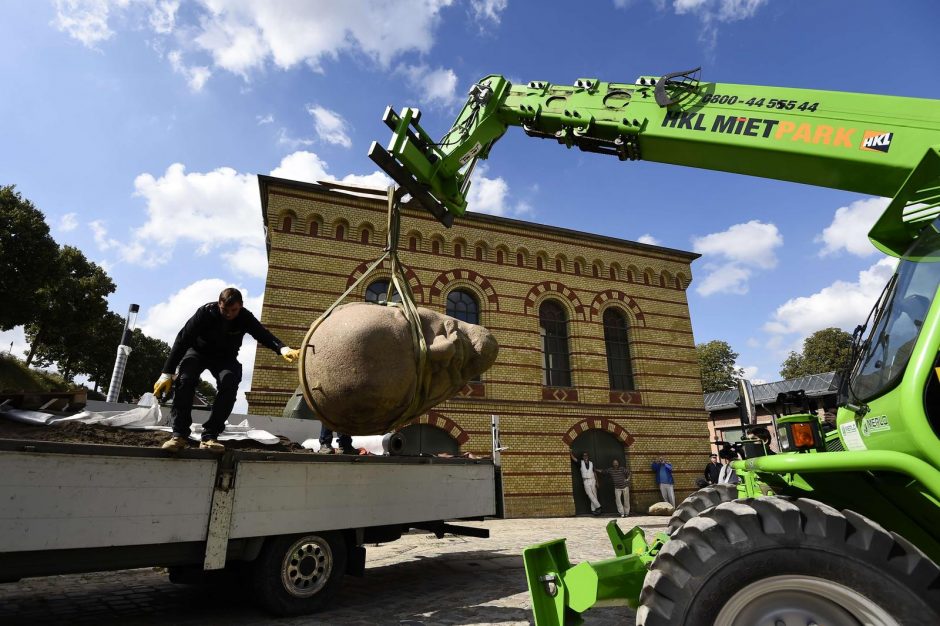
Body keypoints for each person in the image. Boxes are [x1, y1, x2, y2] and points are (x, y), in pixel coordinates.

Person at [154, 288, 300, 452]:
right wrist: (167, 372)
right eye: (225, 310)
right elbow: (182, 340)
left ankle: (210, 436)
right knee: (186, 379)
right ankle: (179, 435)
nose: (229, 314)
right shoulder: (205, 313)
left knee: (230, 380)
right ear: (219, 304)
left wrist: (282, 349)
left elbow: (262, 334)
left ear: (241, 306)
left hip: (225, 358)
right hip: (198, 352)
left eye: (234, 310)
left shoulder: (245, 317)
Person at [571, 451, 602, 515]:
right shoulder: (581, 462)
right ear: (582, 457)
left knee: (594, 494)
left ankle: (593, 510)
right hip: (586, 481)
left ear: (588, 456)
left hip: (592, 480)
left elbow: (595, 473)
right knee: (589, 494)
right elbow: (574, 459)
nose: (585, 456)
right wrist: (570, 453)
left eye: (586, 455)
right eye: (584, 455)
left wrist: (597, 482)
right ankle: (598, 506)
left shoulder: (591, 463)